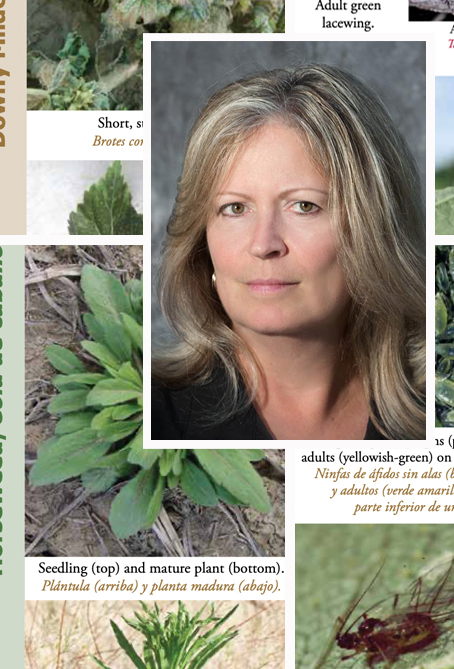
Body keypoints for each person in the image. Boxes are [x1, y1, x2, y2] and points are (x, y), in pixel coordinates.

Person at [152, 64, 425, 440]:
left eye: (304, 206)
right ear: (202, 241)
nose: (264, 244)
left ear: (372, 228)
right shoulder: (150, 417)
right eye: (235, 208)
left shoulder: (450, 408)